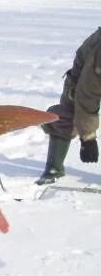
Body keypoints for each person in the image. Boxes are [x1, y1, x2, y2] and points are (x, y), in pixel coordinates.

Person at [36, 27, 101, 184]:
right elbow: (86, 98)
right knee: (68, 114)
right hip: (87, 70)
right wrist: (88, 139)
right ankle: (54, 169)